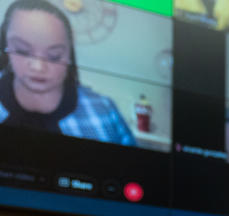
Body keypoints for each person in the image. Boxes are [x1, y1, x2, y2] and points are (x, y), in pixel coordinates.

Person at [0, 0, 135, 145]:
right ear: (5, 46)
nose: (38, 67)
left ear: (69, 55)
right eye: (22, 50)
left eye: (54, 56)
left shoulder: (103, 111)